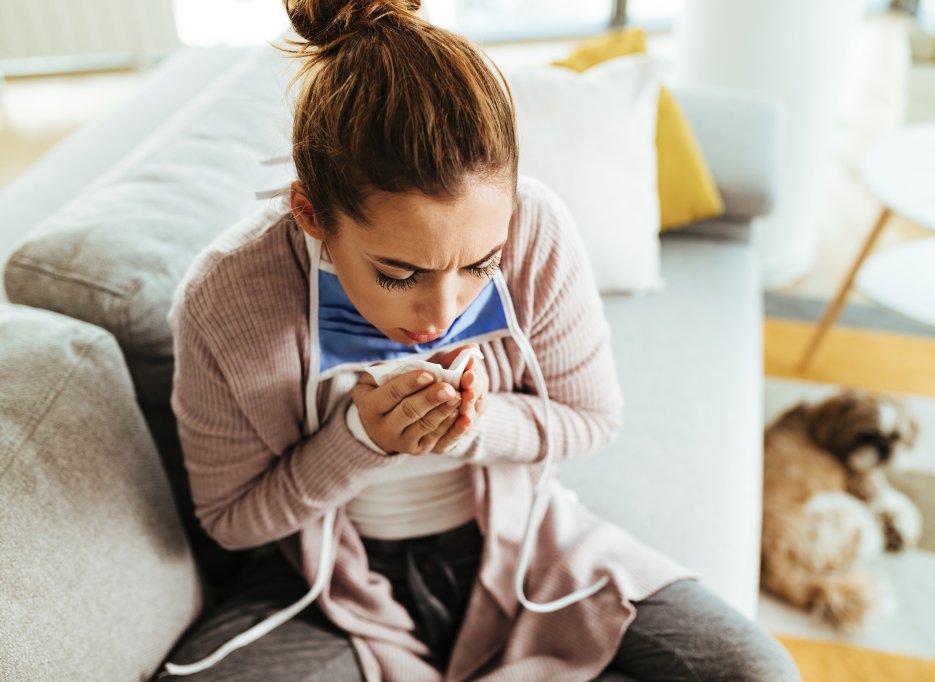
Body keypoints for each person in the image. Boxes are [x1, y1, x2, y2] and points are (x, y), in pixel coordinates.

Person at [159, 1, 802, 680]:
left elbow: (593, 418)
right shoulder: (226, 300)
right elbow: (231, 521)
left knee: (756, 671)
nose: (440, 312)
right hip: (329, 587)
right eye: (399, 273)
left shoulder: (536, 228)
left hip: (532, 553)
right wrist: (360, 442)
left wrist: (477, 425)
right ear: (310, 214)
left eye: (479, 265)